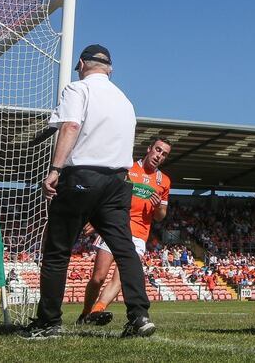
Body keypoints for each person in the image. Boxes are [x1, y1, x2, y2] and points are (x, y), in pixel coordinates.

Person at [20, 44, 155, 339]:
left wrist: (55, 170)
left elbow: (70, 125)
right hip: (118, 182)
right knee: (124, 249)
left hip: (83, 176)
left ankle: (49, 321)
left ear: (81, 64)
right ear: (110, 69)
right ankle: (139, 316)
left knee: (57, 251)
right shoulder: (125, 101)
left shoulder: (78, 89)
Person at [77, 137, 172, 326]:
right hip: (114, 227)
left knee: (119, 279)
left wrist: (157, 207)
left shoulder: (164, 181)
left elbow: (161, 216)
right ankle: (85, 313)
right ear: (149, 149)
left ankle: (98, 310)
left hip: (138, 235)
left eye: (164, 154)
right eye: (158, 150)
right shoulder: (127, 169)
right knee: (98, 277)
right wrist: (96, 221)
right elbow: (108, 197)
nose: (159, 155)